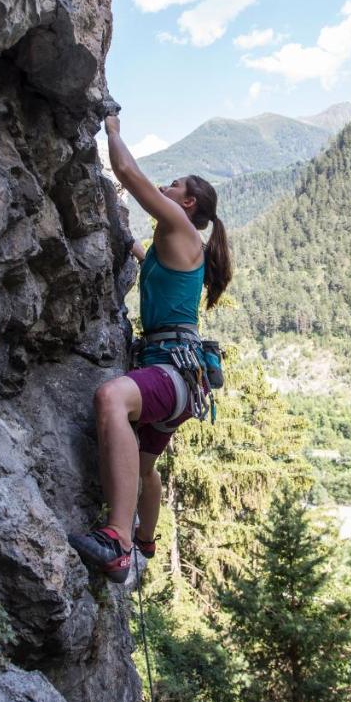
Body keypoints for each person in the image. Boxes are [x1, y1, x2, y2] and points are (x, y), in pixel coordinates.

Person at [68, 113, 232, 583]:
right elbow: (148, 260)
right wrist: (125, 240)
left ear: (189, 201)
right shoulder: (172, 245)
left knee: (111, 398)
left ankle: (118, 538)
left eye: (174, 184)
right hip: (182, 381)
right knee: (143, 467)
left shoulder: (180, 227)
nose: (165, 185)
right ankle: (145, 543)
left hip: (170, 373)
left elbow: (129, 175)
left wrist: (112, 130)